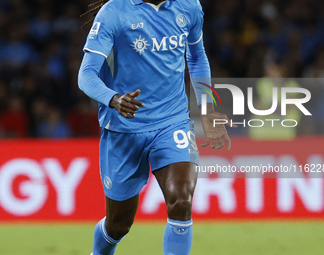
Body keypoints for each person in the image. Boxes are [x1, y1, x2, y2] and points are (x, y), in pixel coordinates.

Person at [78, 0, 234, 254]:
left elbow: (196, 56)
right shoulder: (114, 12)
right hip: (124, 128)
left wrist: (206, 108)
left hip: (172, 122)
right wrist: (114, 99)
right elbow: (86, 75)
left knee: (181, 200)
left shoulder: (188, 6)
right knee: (118, 225)